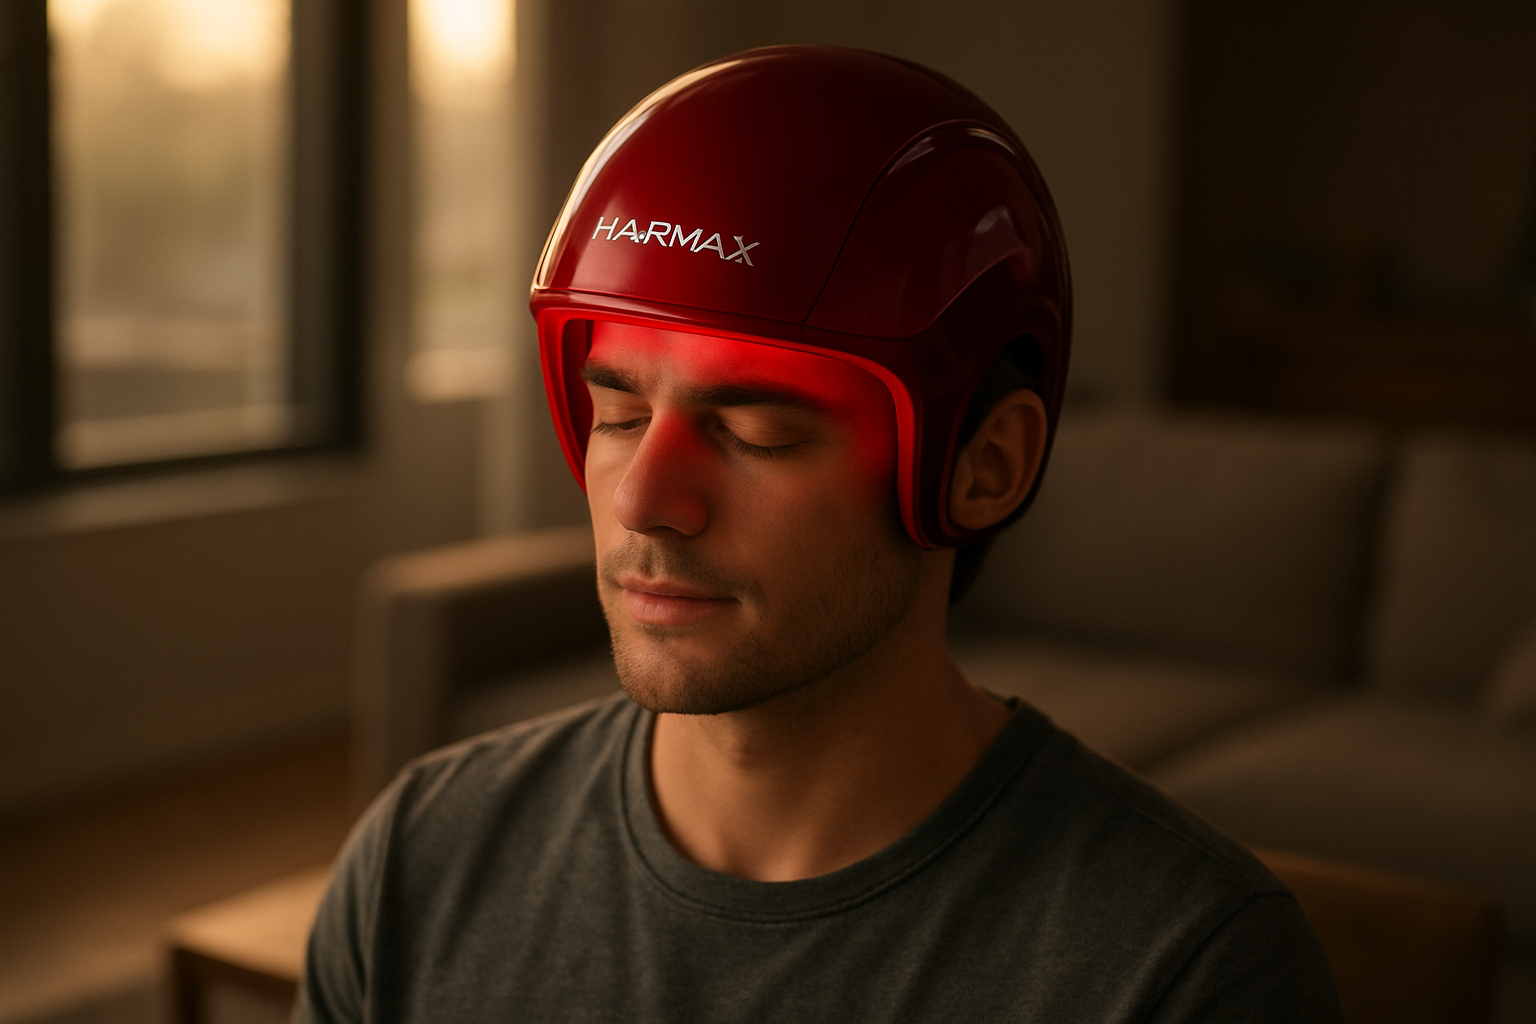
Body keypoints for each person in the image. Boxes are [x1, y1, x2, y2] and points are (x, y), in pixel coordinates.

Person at [299, 46, 1343, 1022]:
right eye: (618, 414)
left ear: (983, 468)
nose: (642, 498)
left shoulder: (1184, 969)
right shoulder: (418, 859)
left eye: (754, 432)